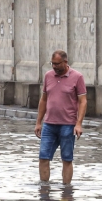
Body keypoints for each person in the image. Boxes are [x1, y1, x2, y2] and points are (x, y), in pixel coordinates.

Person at [34, 50, 87, 185]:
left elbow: (83, 101)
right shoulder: (48, 76)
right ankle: (44, 190)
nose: (55, 67)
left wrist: (79, 123)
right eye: (53, 64)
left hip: (68, 125)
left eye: (57, 64)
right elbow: (44, 100)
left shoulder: (77, 77)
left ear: (65, 62)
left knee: (67, 159)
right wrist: (38, 122)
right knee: (43, 157)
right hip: (49, 124)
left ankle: (66, 191)